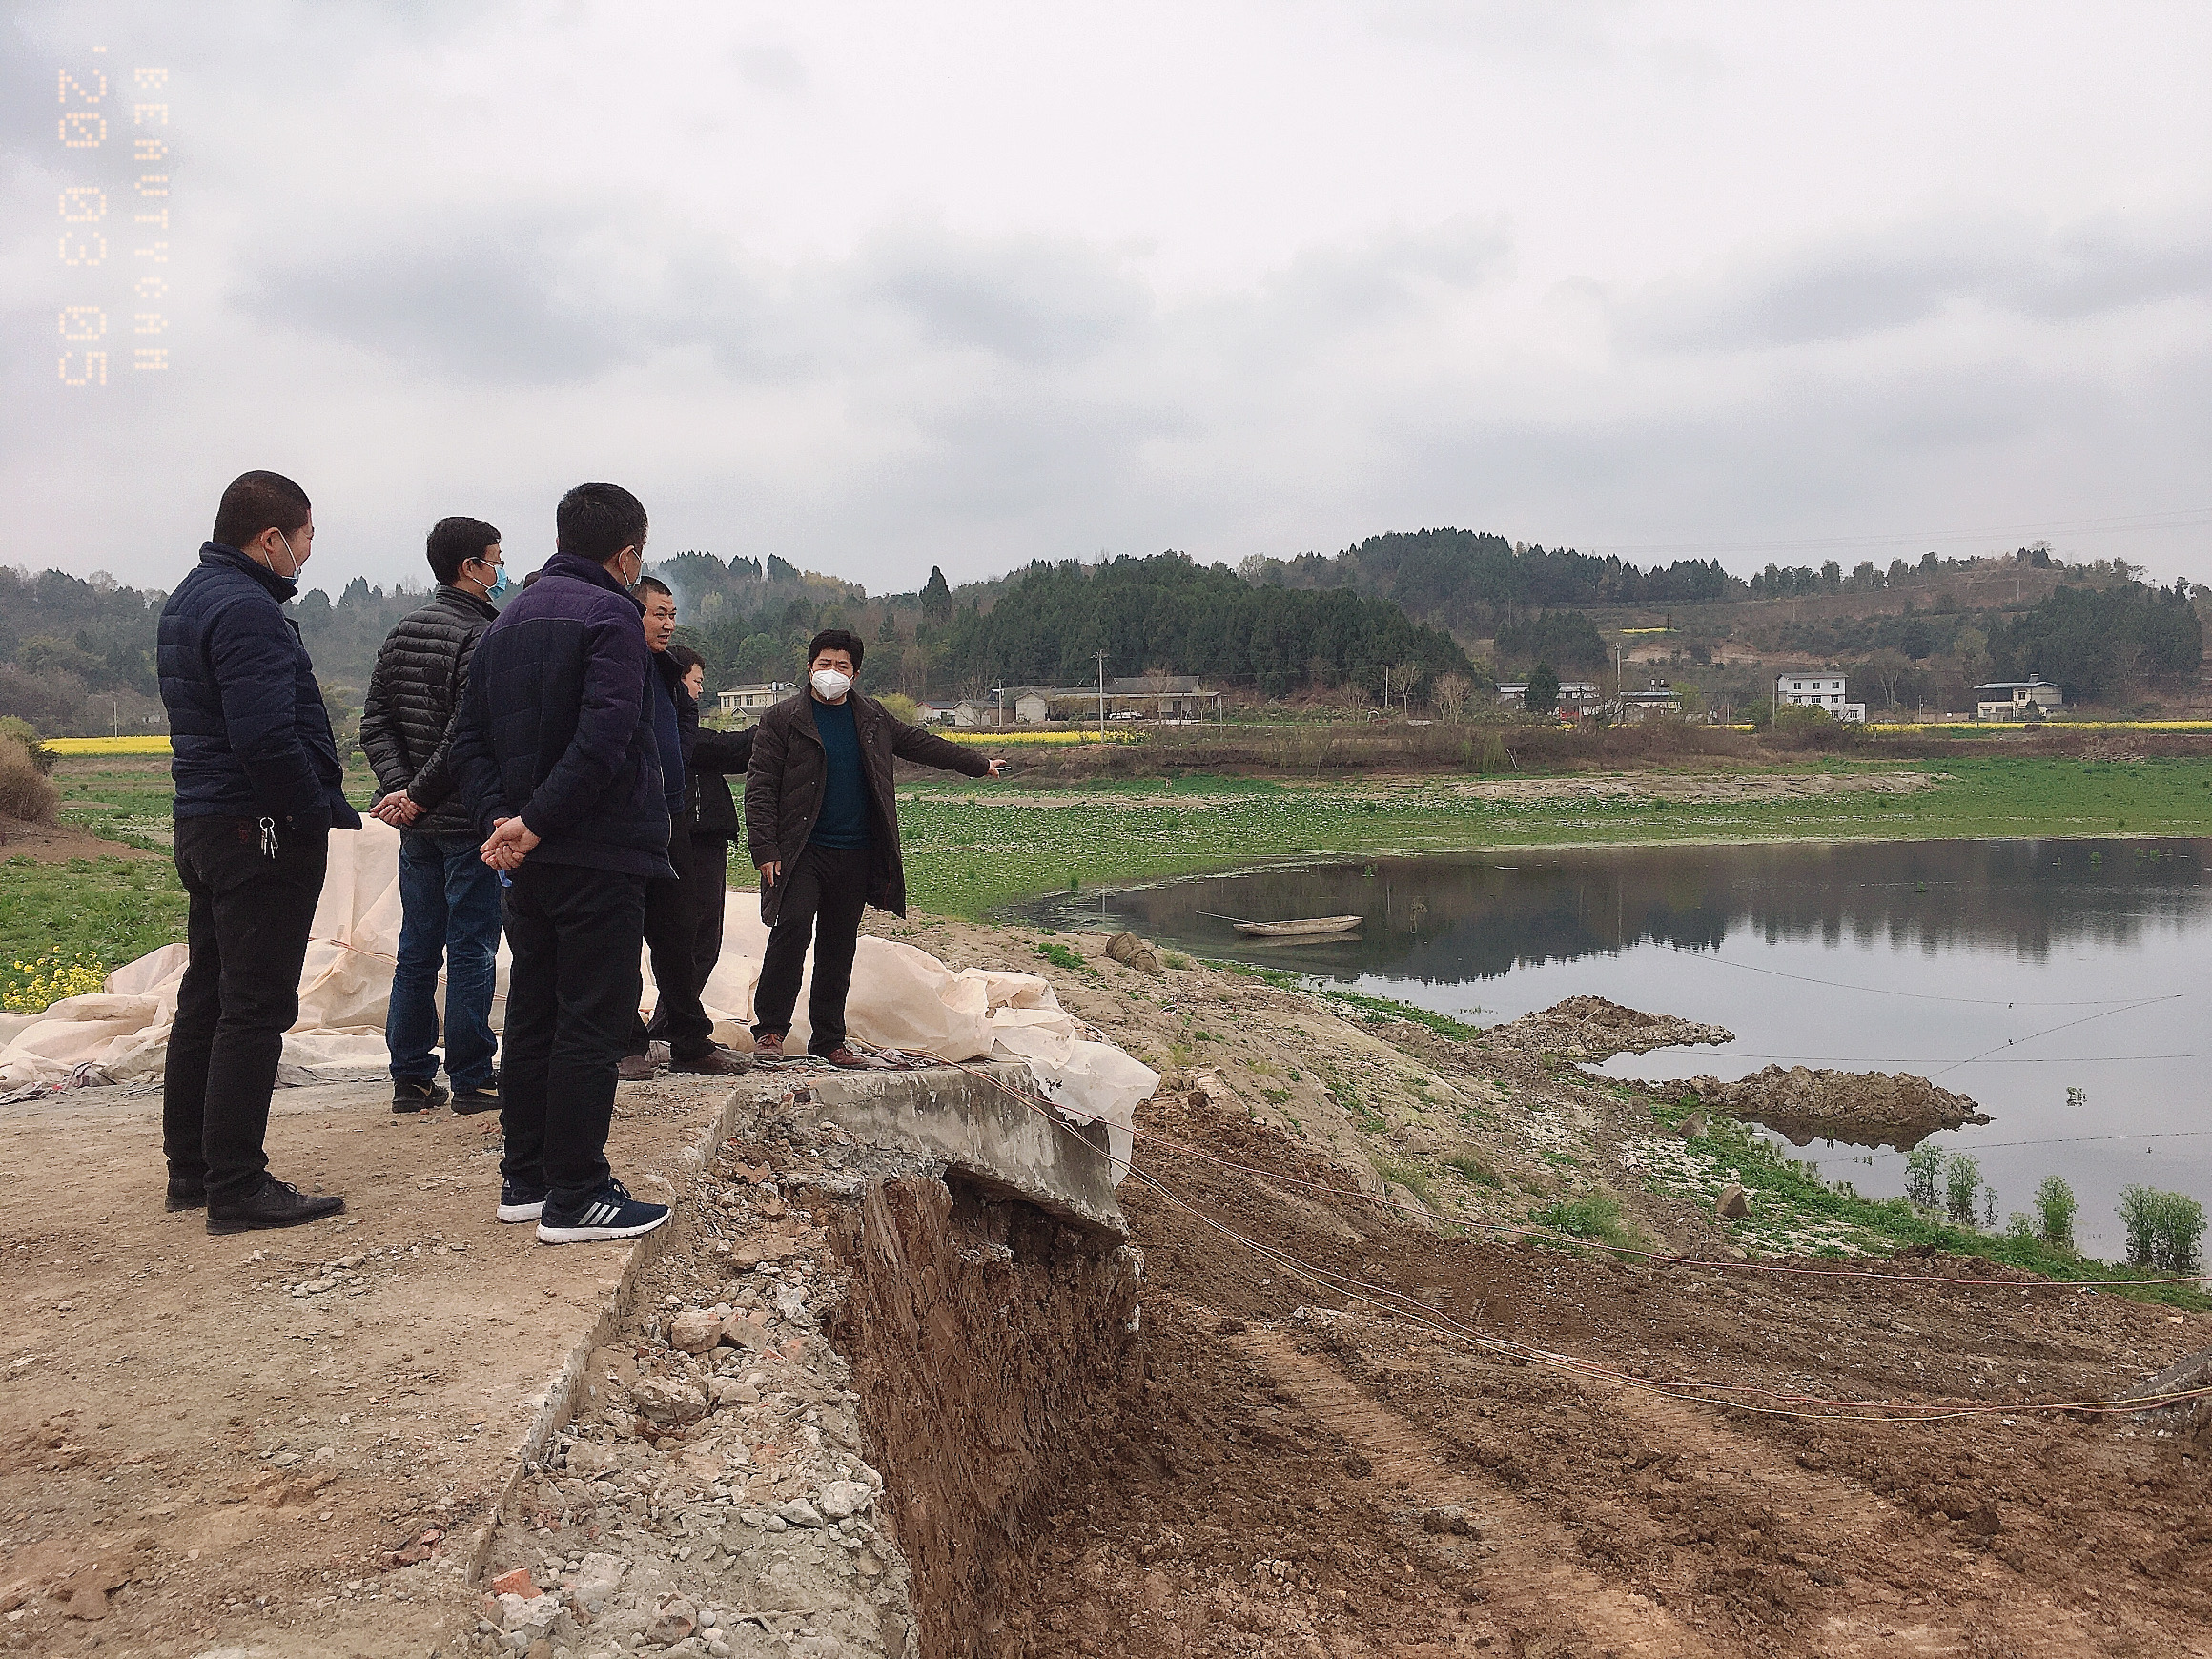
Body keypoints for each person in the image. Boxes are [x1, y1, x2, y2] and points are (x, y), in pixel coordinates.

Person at [449, 482, 675, 1244]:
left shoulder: (505, 621)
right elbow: (606, 739)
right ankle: (577, 1193)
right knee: (590, 1017)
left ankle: (528, 1176)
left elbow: (468, 741)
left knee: (534, 1013)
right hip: (596, 850)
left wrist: (503, 822)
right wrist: (536, 823)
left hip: (529, 858)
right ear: (627, 554)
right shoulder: (611, 616)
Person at [157, 470, 358, 1233]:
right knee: (254, 1005)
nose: (307, 553)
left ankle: (193, 1168)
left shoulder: (191, 596)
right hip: (257, 828)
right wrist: (309, 813)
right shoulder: (247, 611)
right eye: (305, 538)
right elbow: (266, 737)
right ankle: (238, 1184)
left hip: (206, 821)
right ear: (271, 538)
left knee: (208, 995)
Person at [745, 629, 1008, 1064]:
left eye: (842, 666)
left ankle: (829, 1039)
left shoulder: (872, 718)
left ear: (855, 674)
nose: (832, 672)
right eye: (824, 664)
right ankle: (771, 1030)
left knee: (839, 944)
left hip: (856, 851)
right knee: (790, 931)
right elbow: (760, 787)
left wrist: (977, 764)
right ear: (809, 668)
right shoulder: (783, 719)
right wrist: (765, 848)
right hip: (800, 850)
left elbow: (922, 745)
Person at [359, 517, 507, 1115]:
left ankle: (411, 1076)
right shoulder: (481, 637)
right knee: (472, 948)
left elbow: (375, 722)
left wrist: (400, 790)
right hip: (466, 820)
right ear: (470, 568)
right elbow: (465, 735)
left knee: (417, 949)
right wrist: (417, 794)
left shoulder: (402, 631)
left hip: (416, 827)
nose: (500, 571)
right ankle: (472, 1075)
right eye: (495, 560)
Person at [618, 580, 744, 1078]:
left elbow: (685, 731)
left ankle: (688, 1039)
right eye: (658, 614)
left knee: (679, 935)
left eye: (672, 614)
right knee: (623, 937)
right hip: (625, 820)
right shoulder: (616, 665)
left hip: (670, 823)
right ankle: (627, 1040)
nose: (668, 624)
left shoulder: (669, 672)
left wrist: (672, 779)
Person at [664, 645, 753, 1033]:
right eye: (696, 681)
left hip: (703, 839)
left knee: (698, 938)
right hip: (693, 840)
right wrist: (771, 728)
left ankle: (670, 1023)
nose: (700, 690)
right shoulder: (678, 732)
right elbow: (725, 748)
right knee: (696, 938)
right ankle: (671, 1025)